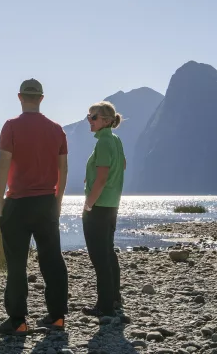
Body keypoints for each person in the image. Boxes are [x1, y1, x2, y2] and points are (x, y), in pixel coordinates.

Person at [0, 79, 69, 335]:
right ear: (41, 98)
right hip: (47, 202)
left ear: (19, 97)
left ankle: (18, 322)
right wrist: (57, 201)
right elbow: (63, 168)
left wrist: (0, 200)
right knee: (52, 260)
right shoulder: (57, 130)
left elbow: (3, 164)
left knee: (17, 263)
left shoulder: (11, 126)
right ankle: (57, 317)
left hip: (18, 202)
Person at [82, 101, 126, 318]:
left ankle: (104, 306)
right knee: (108, 253)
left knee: (99, 257)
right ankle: (115, 299)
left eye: (94, 117)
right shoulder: (115, 140)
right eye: (89, 116)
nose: (90, 120)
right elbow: (123, 164)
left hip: (98, 206)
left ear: (107, 121)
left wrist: (88, 204)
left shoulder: (103, 143)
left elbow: (101, 179)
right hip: (112, 205)